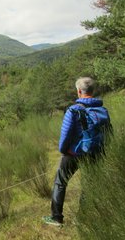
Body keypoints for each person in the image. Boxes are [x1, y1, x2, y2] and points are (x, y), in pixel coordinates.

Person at [43, 77, 110, 227]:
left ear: (79, 91)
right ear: (93, 91)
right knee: (89, 185)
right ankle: (83, 219)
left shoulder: (73, 110)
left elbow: (65, 135)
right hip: (95, 153)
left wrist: (63, 151)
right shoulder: (102, 110)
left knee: (60, 182)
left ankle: (56, 218)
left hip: (73, 154)